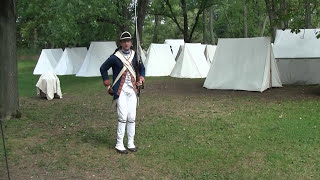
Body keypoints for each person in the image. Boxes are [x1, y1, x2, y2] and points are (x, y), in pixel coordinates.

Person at [100, 31, 145, 154]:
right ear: (120, 43)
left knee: (132, 117)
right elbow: (103, 68)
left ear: (131, 42)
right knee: (122, 116)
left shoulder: (135, 55)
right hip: (120, 91)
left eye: (129, 41)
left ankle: (130, 142)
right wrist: (107, 83)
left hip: (133, 90)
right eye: (124, 41)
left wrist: (141, 78)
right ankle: (119, 143)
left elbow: (142, 68)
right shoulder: (115, 57)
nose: (127, 43)